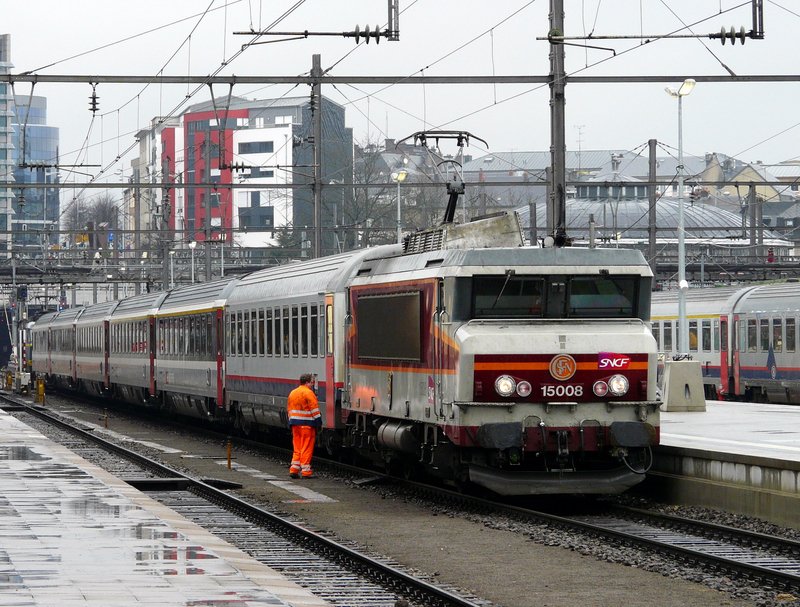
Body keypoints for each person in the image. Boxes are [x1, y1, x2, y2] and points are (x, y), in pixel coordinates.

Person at [287, 373, 321, 478]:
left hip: (295, 424)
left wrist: (291, 421)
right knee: (306, 447)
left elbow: (289, 409)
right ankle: (306, 472)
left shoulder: (293, 393)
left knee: (297, 447)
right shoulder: (308, 393)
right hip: (307, 425)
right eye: (311, 382)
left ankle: (294, 469)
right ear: (307, 382)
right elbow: (314, 409)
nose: (312, 384)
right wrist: (318, 422)